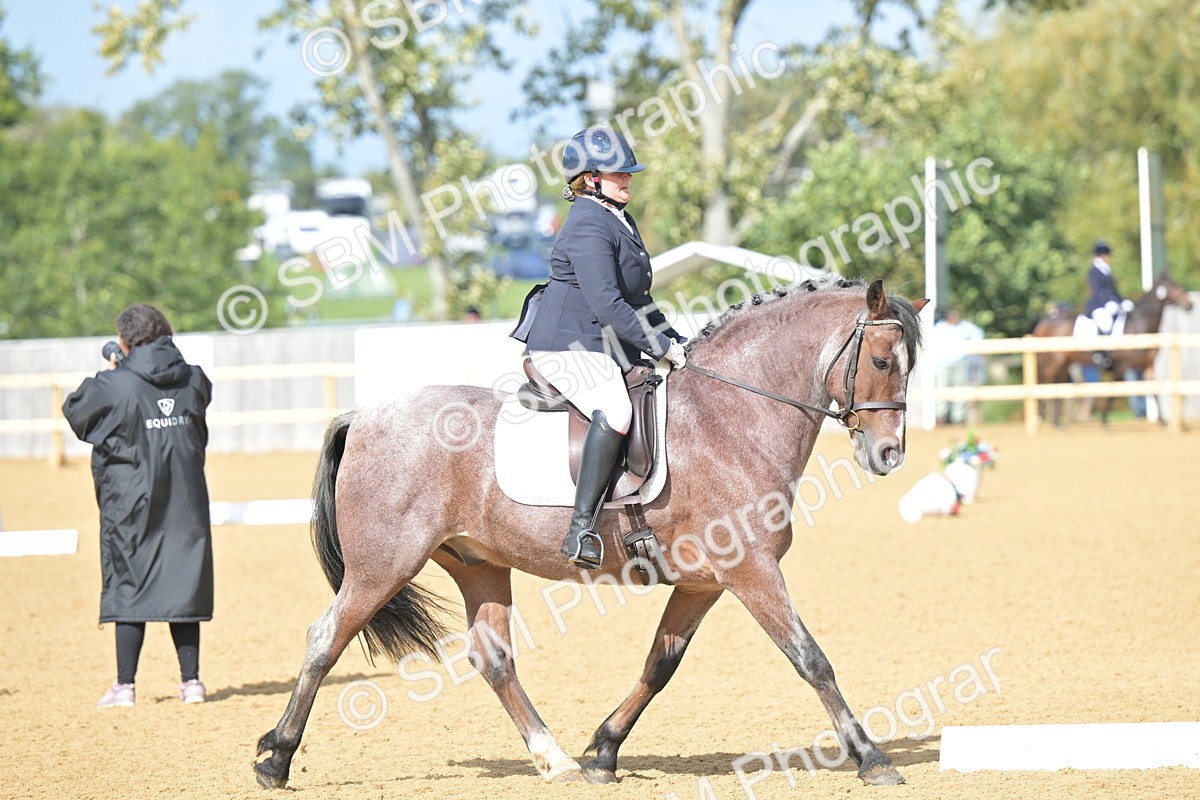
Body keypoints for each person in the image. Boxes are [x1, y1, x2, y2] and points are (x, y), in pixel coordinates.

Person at [510, 127, 687, 569]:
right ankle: (581, 529)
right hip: (568, 345)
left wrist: (676, 340)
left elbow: (639, 299)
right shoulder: (589, 222)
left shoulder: (619, 217)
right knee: (617, 408)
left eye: (630, 173)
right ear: (590, 178)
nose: (628, 179)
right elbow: (608, 303)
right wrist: (658, 346)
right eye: (619, 173)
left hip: (602, 343)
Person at [63, 304, 214, 707]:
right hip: (186, 501)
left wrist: (116, 372)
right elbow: (198, 403)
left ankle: (125, 686)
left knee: (130, 581)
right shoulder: (193, 378)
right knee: (184, 582)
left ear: (125, 341)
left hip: (131, 503)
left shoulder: (115, 386)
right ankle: (192, 683)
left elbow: (76, 410)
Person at [930, 308, 985, 425]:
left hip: (960, 362)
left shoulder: (964, 326)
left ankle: (958, 417)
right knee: (942, 389)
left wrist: (970, 349)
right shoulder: (939, 328)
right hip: (942, 364)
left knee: (959, 389)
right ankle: (941, 416)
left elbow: (979, 334)